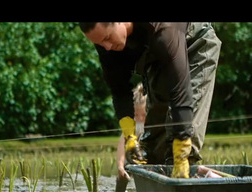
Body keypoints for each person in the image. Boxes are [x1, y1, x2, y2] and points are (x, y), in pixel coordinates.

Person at [79, 23, 221, 182]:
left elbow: (181, 93)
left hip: (195, 43)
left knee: (183, 143)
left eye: (107, 38)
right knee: (151, 149)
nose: (106, 47)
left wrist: (181, 154)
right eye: (99, 43)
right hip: (157, 53)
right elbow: (119, 90)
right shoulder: (105, 44)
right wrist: (130, 136)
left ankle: (184, 177)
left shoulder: (164, 29)